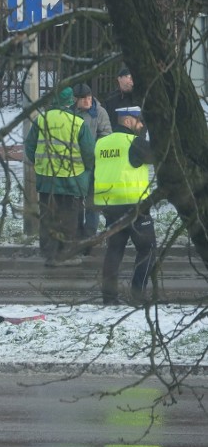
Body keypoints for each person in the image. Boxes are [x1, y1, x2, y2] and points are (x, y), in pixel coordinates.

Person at [24, 86, 95, 267]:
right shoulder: (77, 122)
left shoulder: (41, 120)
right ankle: (66, 254)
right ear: (69, 101)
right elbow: (88, 152)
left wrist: (41, 163)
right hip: (72, 179)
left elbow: (30, 147)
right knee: (69, 217)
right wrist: (87, 170)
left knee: (48, 216)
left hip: (47, 179)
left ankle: (50, 254)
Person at [94, 106, 156, 306]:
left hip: (110, 206)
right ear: (128, 121)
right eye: (139, 122)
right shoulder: (135, 143)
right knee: (148, 250)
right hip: (136, 206)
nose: (142, 127)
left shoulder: (101, 143)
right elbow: (157, 157)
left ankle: (109, 298)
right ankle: (137, 295)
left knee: (114, 251)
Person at [71, 83, 112, 244]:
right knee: (76, 200)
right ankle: (77, 233)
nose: (88, 101)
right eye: (84, 99)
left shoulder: (99, 112)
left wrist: (92, 148)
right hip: (75, 163)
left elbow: (107, 134)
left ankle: (89, 236)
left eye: (89, 98)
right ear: (76, 100)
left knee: (92, 200)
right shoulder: (71, 112)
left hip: (94, 163)